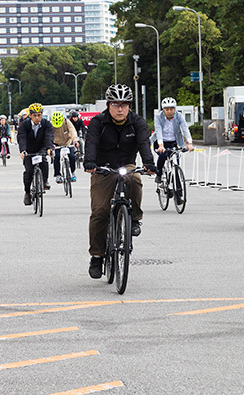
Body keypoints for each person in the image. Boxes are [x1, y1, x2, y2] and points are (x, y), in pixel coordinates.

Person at [84, 84, 156, 279]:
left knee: (135, 178)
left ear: (129, 106)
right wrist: (89, 162)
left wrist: (149, 163)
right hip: (102, 168)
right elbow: (91, 143)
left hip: (126, 164)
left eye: (124, 104)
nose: (120, 109)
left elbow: (144, 143)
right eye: (116, 104)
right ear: (108, 105)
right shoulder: (98, 122)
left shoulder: (137, 122)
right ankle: (97, 256)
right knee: (100, 212)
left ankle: (134, 219)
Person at [17, 103, 54, 206]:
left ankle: (45, 181)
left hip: (41, 147)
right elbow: (22, 137)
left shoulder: (46, 124)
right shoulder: (25, 125)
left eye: (39, 115)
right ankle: (28, 193)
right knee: (29, 172)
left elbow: (49, 136)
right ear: (30, 116)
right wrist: (23, 150)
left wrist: (49, 148)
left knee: (44, 161)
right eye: (35, 115)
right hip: (29, 149)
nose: (37, 118)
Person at [153, 97, 193, 184]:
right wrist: (160, 145)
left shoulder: (179, 116)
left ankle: (178, 192)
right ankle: (159, 173)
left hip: (173, 142)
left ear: (175, 109)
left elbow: (185, 128)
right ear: (163, 110)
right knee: (163, 156)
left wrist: (189, 143)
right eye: (167, 109)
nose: (169, 111)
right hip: (160, 142)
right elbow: (158, 131)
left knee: (176, 164)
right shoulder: (158, 117)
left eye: (172, 109)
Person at [50, 111, 77, 183]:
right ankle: (58, 175)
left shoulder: (67, 122)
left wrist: (75, 141)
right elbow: (48, 135)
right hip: (57, 143)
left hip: (68, 142)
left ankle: (73, 172)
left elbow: (72, 131)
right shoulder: (50, 124)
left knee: (72, 156)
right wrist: (50, 145)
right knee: (56, 157)